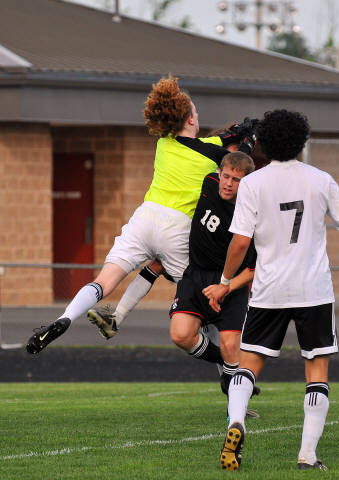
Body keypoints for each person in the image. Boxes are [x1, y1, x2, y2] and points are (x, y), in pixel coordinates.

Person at [205, 109, 339, 472]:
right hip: (313, 290)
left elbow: (240, 243)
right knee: (316, 370)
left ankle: (236, 422)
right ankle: (307, 456)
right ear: (301, 142)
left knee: (248, 363)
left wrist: (224, 282)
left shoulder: (252, 184)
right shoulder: (320, 179)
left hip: (269, 289)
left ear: (265, 144)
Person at [26, 75, 255, 354]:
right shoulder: (211, 154)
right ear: (190, 120)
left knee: (104, 281)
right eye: (195, 112)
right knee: (203, 301)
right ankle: (228, 368)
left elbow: (214, 140)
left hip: (145, 218)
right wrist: (249, 137)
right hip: (178, 229)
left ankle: (67, 317)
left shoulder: (164, 143)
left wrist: (237, 132)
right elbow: (234, 157)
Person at [86, 122, 259, 340]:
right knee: (170, 278)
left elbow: (239, 167)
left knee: (217, 325)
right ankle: (117, 318)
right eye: (228, 161)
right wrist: (247, 142)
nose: (231, 172)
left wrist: (245, 140)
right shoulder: (211, 177)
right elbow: (232, 163)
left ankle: (222, 352)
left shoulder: (243, 197)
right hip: (198, 255)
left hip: (222, 266)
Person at [168, 151, 260, 404]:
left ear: (246, 184)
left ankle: (235, 408)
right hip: (196, 275)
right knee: (180, 335)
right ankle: (233, 369)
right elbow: (216, 150)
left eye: (236, 180)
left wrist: (225, 287)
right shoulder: (209, 182)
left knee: (231, 346)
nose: (228, 183)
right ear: (219, 173)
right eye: (226, 176)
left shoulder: (250, 216)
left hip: (230, 285)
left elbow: (252, 270)